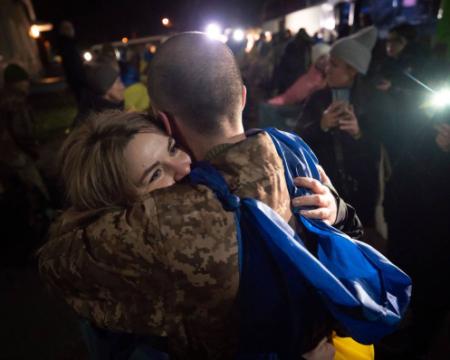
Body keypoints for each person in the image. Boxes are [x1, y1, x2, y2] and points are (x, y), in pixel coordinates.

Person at [38, 33, 407, 359]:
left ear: (167, 123)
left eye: (171, 148)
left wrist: (338, 213)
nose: (181, 167)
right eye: (154, 173)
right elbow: (352, 232)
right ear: (243, 96)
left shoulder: (172, 227)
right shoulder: (290, 147)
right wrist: (338, 210)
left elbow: (58, 262)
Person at [298, 26, 386, 232]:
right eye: (329, 62)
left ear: (352, 71)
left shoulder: (373, 102)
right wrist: (321, 125)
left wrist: (359, 133)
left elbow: (385, 148)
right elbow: (298, 139)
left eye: (334, 64)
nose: (326, 68)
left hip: (362, 192)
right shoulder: (317, 99)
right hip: (325, 191)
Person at [0, 64, 49, 265]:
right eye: (25, 80)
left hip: (5, 160)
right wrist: (34, 150)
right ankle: (39, 244)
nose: (28, 84)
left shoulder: (2, 98)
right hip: (18, 157)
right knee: (36, 195)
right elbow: (23, 133)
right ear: (18, 82)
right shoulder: (17, 102)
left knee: (16, 198)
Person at [73, 61, 125, 126]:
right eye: (118, 83)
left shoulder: (111, 110)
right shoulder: (96, 123)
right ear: (105, 88)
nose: (123, 87)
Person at [57, 20, 86, 106]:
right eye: (70, 28)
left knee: (81, 98)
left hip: (75, 77)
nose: (72, 30)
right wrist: (81, 76)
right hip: (76, 77)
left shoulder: (67, 43)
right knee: (82, 99)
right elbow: (72, 63)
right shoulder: (67, 44)